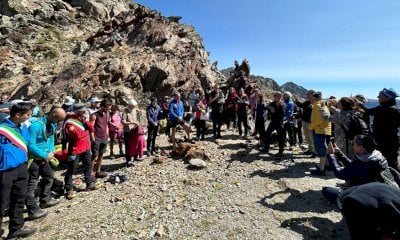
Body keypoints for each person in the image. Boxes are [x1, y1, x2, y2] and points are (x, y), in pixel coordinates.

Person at [0, 102, 36, 239]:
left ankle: (16, 228)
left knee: (19, 198)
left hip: (21, 167)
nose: (30, 117)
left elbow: (26, 143)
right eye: (28, 115)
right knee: (2, 202)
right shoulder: (2, 130)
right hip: (5, 170)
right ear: (17, 115)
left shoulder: (23, 127)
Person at [322, 135, 390, 205]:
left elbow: (340, 174)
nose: (352, 146)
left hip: (366, 194)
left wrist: (330, 155)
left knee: (327, 190)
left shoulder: (364, 163)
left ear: (361, 147)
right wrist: (339, 154)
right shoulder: (376, 156)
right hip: (379, 190)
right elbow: (353, 166)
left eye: (353, 143)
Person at [26, 107, 66, 220]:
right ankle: (32, 209)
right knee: (32, 184)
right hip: (33, 158)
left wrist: (51, 151)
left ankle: (45, 199)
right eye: (59, 120)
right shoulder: (36, 126)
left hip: (46, 157)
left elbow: (51, 138)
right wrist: (44, 155)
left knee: (49, 177)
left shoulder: (52, 124)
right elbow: (30, 145)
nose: (59, 123)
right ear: (53, 115)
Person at [63, 104, 99, 200]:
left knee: (87, 165)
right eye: (82, 111)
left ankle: (89, 182)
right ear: (76, 111)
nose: (84, 112)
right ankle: (69, 188)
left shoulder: (82, 118)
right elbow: (76, 135)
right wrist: (87, 132)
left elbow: (90, 126)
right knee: (71, 169)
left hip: (86, 146)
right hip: (75, 148)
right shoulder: (70, 122)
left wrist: (89, 130)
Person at [363, 88, 400, 171]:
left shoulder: (390, 109)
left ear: (386, 97)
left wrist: (360, 106)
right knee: (388, 163)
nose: (378, 98)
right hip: (387, 141)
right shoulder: (390, 108)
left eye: (380, 96)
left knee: (390, 164)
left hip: (388, 143)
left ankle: (395, 182)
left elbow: (370, 111)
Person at [309, 91, 332, 175]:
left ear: (314, 98)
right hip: (324, 130)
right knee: (324, 148)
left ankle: (321, 169)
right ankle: (327, 165)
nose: (309, 99)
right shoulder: (321, 105)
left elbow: (320, 120)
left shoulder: (318, 106)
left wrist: (311, 127)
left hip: (319, 130)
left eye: (311, 97)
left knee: (321, 149)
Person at [90, 99, 112, 178]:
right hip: (96, 137)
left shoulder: (107, 114)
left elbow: (107, 124)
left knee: (101, 154)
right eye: (107, 108)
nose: (108, 110)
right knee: (94, 155)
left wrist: (107, 134)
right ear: (102, 106)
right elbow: (91, 127)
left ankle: (98, 171)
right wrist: (92, 137)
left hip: (104, 137)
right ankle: (91, 172)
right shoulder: (94, 115)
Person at [261, 91, 285, 157]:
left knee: (280, 136)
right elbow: (268, 109)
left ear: (280, 96)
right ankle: (266, 147)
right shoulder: (273, 103)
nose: (274, 97)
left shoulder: (282, 104)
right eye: (274, 95)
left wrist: (274, 111)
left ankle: (281, 151)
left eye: (276, 95)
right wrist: (270, 110)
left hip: (279, 122)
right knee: (267, 133)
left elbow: (283, 114)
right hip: (273, 121)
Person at [294, 90, 317, 157]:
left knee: (312, 137)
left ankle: (315, 152)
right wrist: (296, 100)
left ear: (313, 95)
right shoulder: (307, 102)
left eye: (309, 94)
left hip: (311, 123)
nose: (307, 95)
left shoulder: (316, 103)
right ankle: (310, 149)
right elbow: (300, 105)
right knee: (307, 137)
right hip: (304, 121)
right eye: (307, 94)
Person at [122, 99, 140, 166]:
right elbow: (123, 122)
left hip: (134, 130)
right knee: (128, 145)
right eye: (132, 106)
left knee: (135, 143)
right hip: (127, 131)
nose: (133, 107)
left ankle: (135, 156)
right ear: (129, 105)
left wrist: (137, 123)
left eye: (134, 106)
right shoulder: (125, 111)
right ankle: (128, 160)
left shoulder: (135, 110)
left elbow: (136, 119)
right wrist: (132, 122)